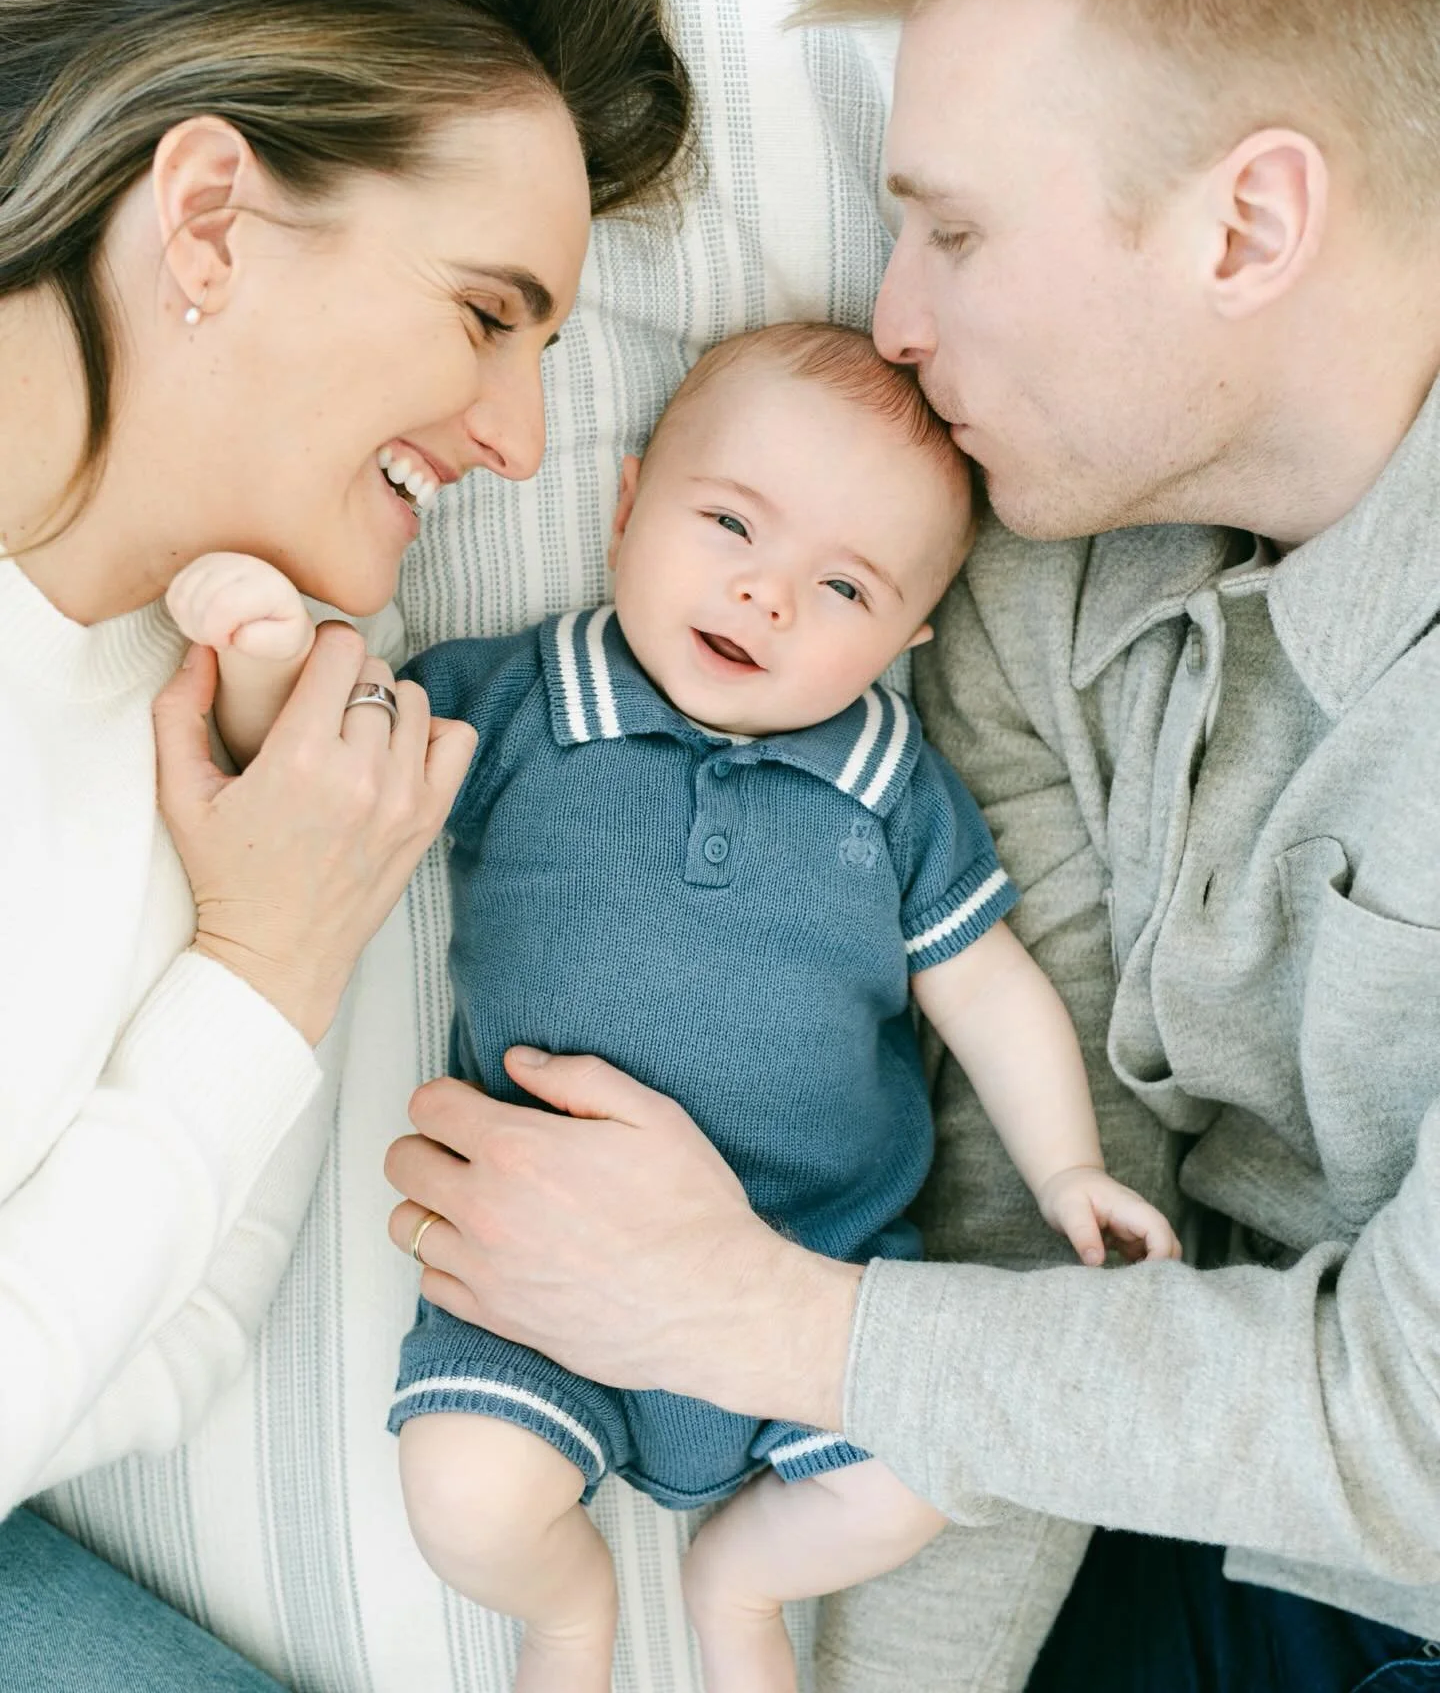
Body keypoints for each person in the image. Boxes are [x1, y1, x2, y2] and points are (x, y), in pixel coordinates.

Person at [381, 0, 1440, 1690]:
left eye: (954, 231)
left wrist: (747, 1311)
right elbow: (1026, 1226)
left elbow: (1413, 1437)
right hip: (1157, 1508)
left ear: (1248, 225)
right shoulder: (1035, 570)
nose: (894, 321)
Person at [168, 320, 1180, 1693]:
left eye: (843, 586)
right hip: (535, 1285)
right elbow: (333, 773)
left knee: (923, 1473)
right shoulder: (520, 702)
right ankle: (569, 1614)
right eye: (730, 525)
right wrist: (266, 661)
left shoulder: (890, 784)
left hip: (817, 1272)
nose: (766, 596)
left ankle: (739, 1580)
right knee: (465, 1495)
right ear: (628, 507)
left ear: (908, 636)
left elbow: (990, 987)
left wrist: (1067, 1167)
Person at [0, 0, 693, 1686]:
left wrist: (281, 949)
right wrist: (256, 980)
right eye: (485, 313)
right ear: (210, 218)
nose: (523, 441)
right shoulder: (268, 867)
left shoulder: (260, 757)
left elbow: (193, 1341)